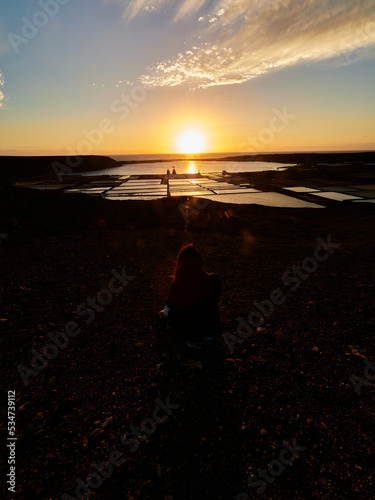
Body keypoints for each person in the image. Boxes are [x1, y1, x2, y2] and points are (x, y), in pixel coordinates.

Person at [160, 244, 221, 349]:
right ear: (200, 262)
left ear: (180, 264)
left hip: (188, 335)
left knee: (165, 314)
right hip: (210, 332)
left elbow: (170, 310)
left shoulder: (177, 285)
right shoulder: (214, 280)